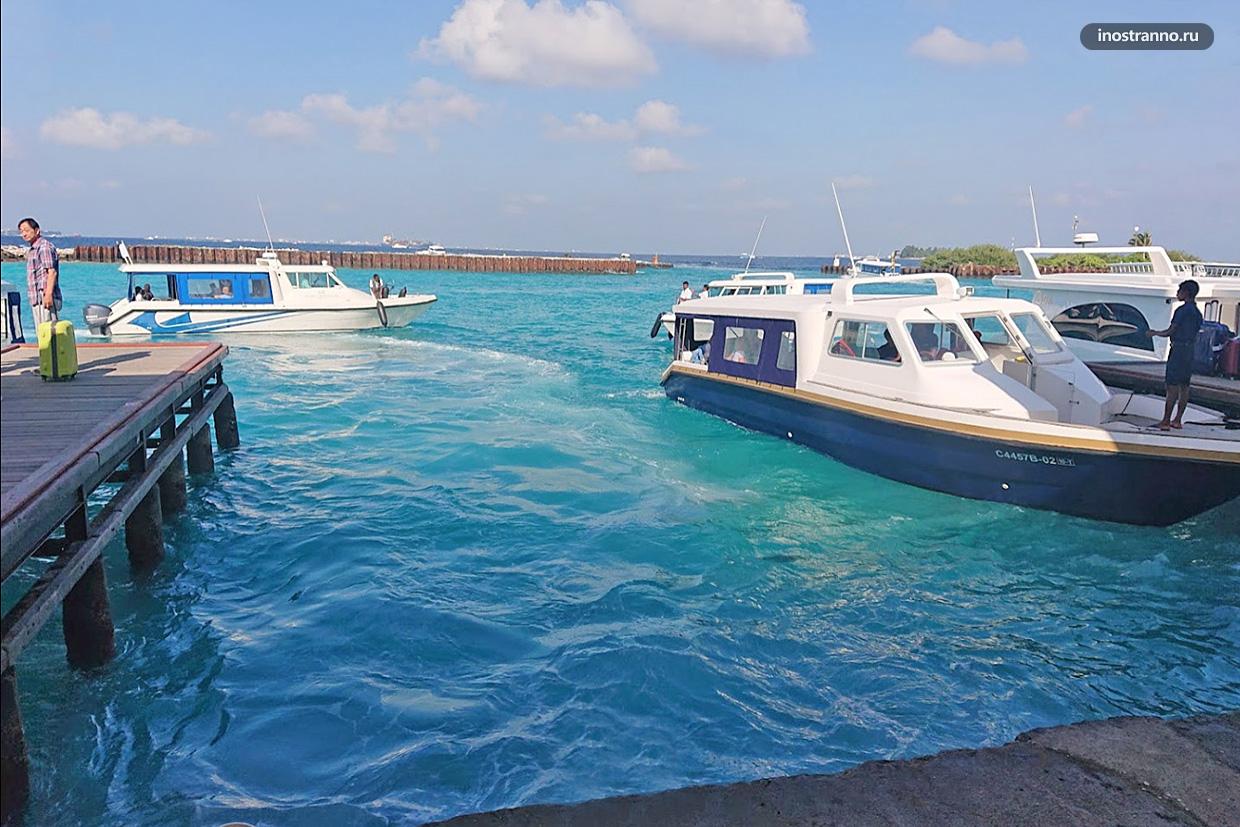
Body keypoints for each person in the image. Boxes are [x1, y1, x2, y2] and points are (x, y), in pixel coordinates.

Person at [1148, 279, 1203, 430]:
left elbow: (1171, 330)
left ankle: (1165, 421)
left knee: (1172, 386)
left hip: (1178, 349)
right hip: (1189, 350)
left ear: (1186, 293)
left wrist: (1155, 333)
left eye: (1179, 291)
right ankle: (1177, 420)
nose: (1177, 293)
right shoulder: (1197, 313)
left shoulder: (1182, 310)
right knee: (1184, 386)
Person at [19, 217, 60, 326]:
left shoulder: (44, 247)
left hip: (44, 296)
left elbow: (51, 272)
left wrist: (48, 295)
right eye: (21, 231)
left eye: (26, 230)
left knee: (49, 330)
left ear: (37, 231)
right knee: (42, 331)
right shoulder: (34, 249)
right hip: (37, 298)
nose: (24, 234)